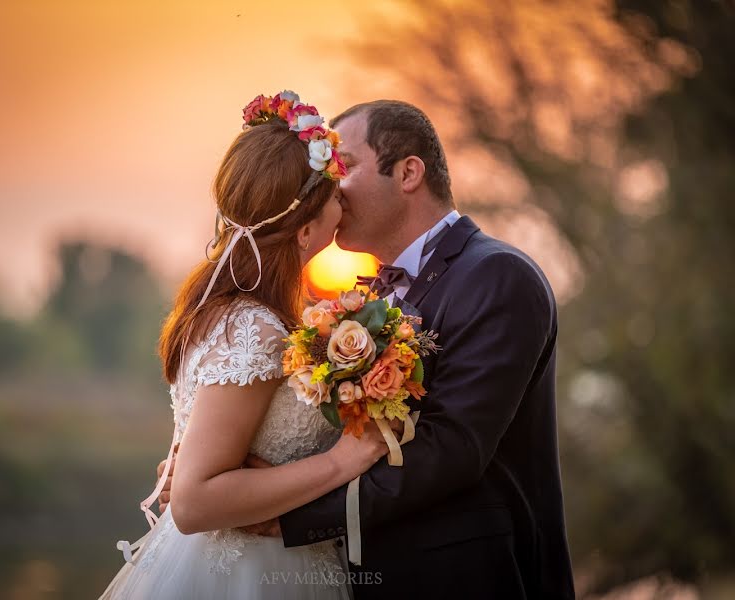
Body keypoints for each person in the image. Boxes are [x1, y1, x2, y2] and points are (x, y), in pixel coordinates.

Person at [157, 99, 576, 599]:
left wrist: (285, 511)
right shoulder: (362, 300)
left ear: (408, 173)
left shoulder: (497, 277)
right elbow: (341, 432)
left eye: (345, 166)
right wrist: (222, 467)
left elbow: (453, 449)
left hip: (470, 579)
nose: (332, 185)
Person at [99, 91, 389, 600]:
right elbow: (194, 504)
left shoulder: (238, 310)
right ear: (303, 231)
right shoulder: (254, 328)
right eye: (333, 195)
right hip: (248, 575)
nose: (343, 200)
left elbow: (210, 460)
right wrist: (341, 462)